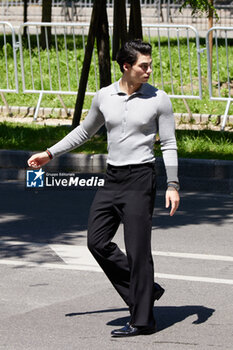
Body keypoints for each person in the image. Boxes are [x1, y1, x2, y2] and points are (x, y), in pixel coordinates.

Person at [27, 39, 180, 337]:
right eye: (143, 66)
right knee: (96, 242)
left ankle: (143, 320)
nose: (149, 71)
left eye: (150, 65)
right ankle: (147, 291)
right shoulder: (104, 96)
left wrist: (173, 183)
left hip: (140, 179)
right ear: (126, 66)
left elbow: (170, 144)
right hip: (112, 179)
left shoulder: (159, 99)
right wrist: (50, 153)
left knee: (138, 251)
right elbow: (85, 131)